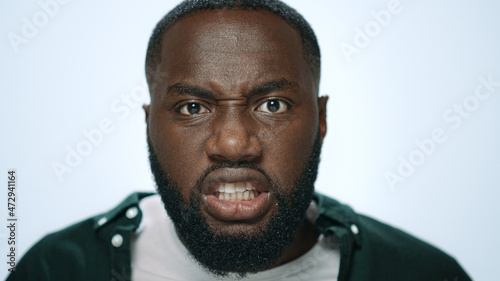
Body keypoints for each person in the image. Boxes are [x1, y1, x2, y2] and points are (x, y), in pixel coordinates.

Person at [8, 0, 471, 280]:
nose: (233, 144)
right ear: (149, 124)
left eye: (273, 105)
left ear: (322, 119)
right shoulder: (57, 269)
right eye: (192, 108)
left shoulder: (420, 273)